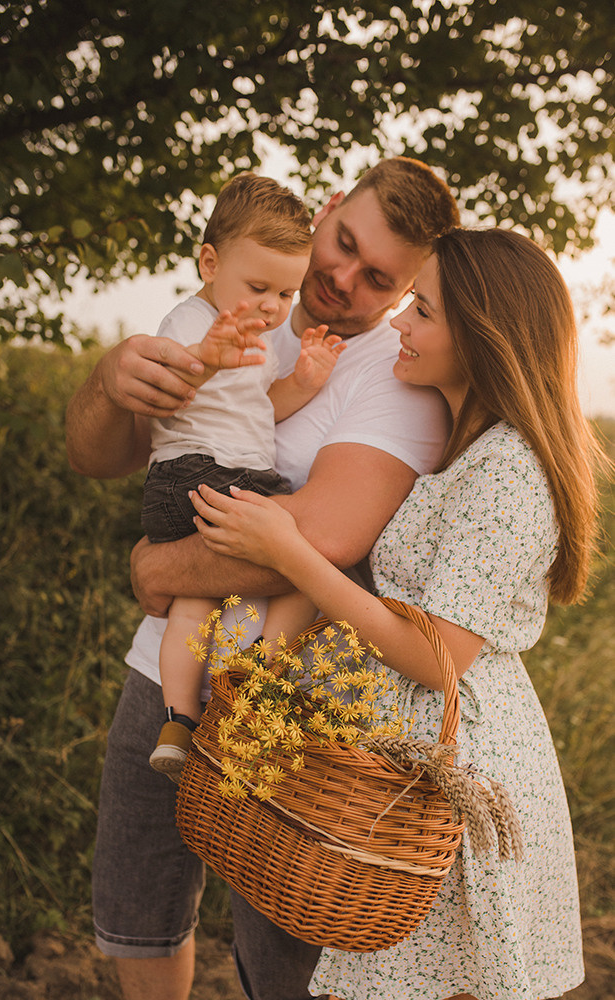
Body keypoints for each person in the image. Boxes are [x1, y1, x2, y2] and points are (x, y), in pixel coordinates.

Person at [65, 155, 460, 1000]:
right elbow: (99, 455)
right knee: (139, 906)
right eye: (341, 241)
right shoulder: (235, 297)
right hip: (162, 670)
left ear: (406, 289)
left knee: (278, 947)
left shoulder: (398, 379)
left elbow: (321, 528)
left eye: (377, 276)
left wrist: (158, 567)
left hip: (288, 707)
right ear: (325, 208)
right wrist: (107, 382)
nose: (339, 275)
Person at [188, 227, 604, 1000]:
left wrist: (289, 553)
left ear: (483, 334)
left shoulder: (509, 469)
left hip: (453, 765)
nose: (400, 324)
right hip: (399, 751)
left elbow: (434, 656)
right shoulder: (466, 449)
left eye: (423, 309)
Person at [139, 172, 346, 780]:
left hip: (206, 478)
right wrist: (207, 357)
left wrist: (303, 380)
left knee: (193, 603)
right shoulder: (190, 321)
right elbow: (171, 391)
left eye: (286, 293)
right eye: (258, 286)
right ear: (209, 262)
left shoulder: (263, 337)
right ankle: (256, 676)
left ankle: (178, 722)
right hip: (200, 473)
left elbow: (262, 407)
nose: (271, 306)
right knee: (314, 564)